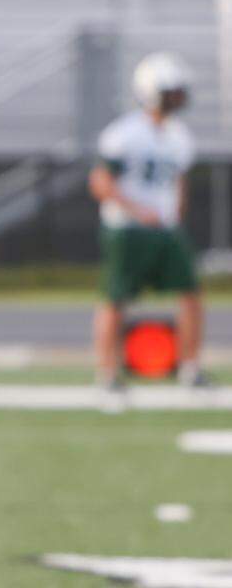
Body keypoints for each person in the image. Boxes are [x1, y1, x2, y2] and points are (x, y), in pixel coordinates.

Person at [88, 52, 205, 390]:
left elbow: (178, 182)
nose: (178, 99)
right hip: (127, 229)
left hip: (165, 229)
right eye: (172, 92)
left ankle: (190, 368)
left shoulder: (179, 135)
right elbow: (100, 182)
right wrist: (138, 211)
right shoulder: (124, 133)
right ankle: (107, 372)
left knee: (191, 295)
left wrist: (173, 216)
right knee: (115, 297)